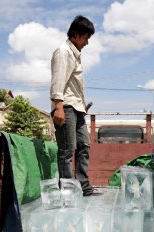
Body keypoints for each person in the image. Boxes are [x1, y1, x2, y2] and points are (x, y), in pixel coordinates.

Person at [50, 15, 102, 196]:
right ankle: (67, 192)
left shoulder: (75, 54)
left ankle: (84, 187)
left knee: (84, 146)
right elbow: (58, 81)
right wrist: (58, 107)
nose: (87, 42)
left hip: (77, 108)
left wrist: (82, 108)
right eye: (86, 37)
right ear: (76, 35)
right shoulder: (63, 52)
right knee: (66, 151)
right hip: (66, 107)